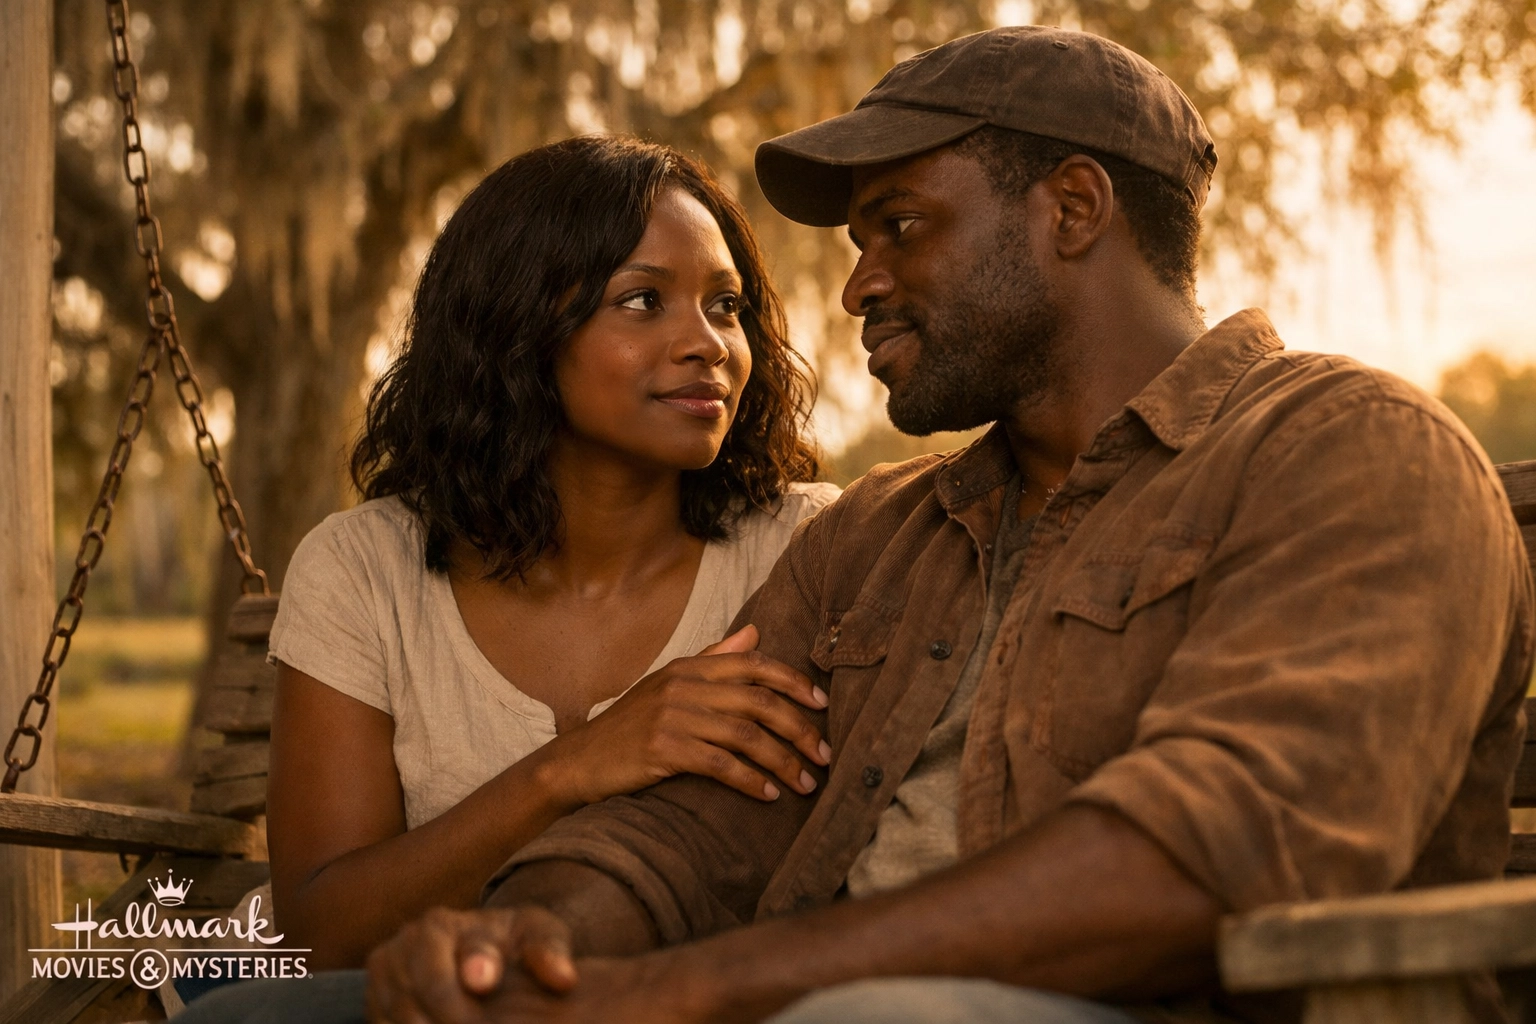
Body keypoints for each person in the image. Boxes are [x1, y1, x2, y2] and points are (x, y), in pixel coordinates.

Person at [183, 26, 1533, 1024]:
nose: (852, 291)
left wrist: (685, 991)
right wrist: (523, 951)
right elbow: (685, 835)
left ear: (1073, 210)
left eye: (899, 228)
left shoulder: (1348, 457)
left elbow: (1206, 855)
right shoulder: (879, 540)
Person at [233, 135, 839, 977]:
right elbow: (317, 933)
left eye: (726, 306)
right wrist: (574, 768)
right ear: (517, 328)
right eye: (643, 300)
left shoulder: (804, 547)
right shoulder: (364, 569)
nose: (709, 343)